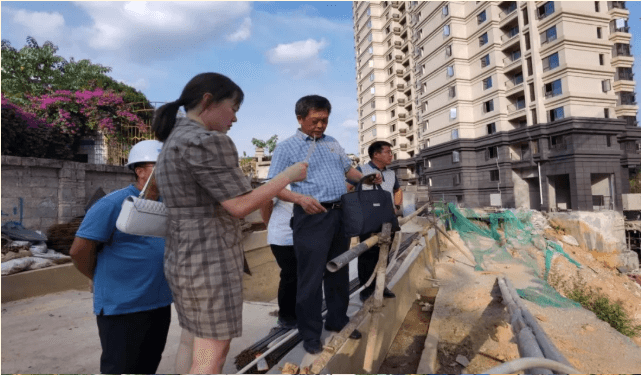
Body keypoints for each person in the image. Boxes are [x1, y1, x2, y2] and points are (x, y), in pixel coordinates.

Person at [151, 72, 308, 374]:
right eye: (234, 108)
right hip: (210, 260)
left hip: (181, 257)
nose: (235, 118)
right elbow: (239, 205)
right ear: (209, 101)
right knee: (213, 353)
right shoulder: (208, 141)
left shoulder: (172, 140)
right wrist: (287, 176)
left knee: (192, 341)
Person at [267, 95, 382, 355]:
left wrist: (366, 177)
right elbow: (272, 184)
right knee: (309, 278)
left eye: (325, 120)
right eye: (315, 120)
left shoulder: (332, 143)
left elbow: (348, 171)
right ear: (300, 119)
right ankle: (310, 333)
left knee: (338, 270)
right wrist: (299, 198)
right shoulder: (287, 148)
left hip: (339, 214)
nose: (320, 126)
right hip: (311, 217)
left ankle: (337, 320)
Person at [69, 139, 172, 374]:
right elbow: (78, 250)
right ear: (140, 171)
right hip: (122, 306)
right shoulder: (114, 204)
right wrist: (97, 276)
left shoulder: (168, 204)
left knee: (148, 365)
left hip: (158, 302)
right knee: (120, 367)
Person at [348, 141, 404, 302]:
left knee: (384, 253)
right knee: (367, 254)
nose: (391, 155)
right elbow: (347, 188)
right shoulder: (361, 171)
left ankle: (381, 285)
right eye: (387, 152)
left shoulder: (391, 174)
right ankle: (366, 289)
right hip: (368, 220)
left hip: (388, 219)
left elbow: (397, 190)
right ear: (376, 154)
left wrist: (397, 205)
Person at [260, 185, 297, 331]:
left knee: (301, 276)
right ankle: (286, 317)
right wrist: (269, 224)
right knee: (290, 275)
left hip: (302, 237)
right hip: (282, 237)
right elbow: (265, 204)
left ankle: (297, 312)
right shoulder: (280, 182)